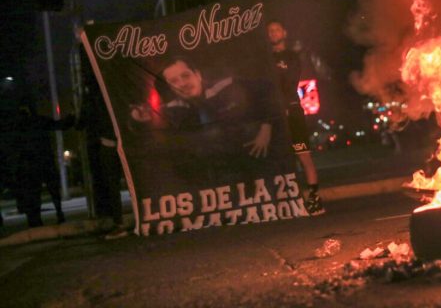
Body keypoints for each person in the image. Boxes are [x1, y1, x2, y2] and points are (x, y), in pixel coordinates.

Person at [131, 57, 278, 158]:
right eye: (174, 81)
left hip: (253, 160)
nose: (182, 83)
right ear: (170, 87)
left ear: (198, 75)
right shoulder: (172, 109)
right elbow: (138, 130)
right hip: (215, 175)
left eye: (186, 76)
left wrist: (266, 127)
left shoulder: (228, 85)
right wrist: (137, 119)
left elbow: (270, 91)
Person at [267, 20, 325, 216]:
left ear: (284, 32)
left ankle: (315, 198)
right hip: (273, 116)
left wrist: (284, 105)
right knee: (279, 159)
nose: (273, 33)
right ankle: (288, 202)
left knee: (303, 156)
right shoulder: (264, 59)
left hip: (292, 113)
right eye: (270, 31)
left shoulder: (292, 57)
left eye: (276, 30)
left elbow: (289, 82)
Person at [78, 38, 128, 240]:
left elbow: (84, 119)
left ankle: (119, 223)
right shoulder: (117, 87)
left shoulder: (94, 94)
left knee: (112, 185)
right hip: (123, 140)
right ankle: (137, 218)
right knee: (129, 181)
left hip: (109, 142)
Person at [13, 103, 73, 228]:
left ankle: (36, 220)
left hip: (31, 164)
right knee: (53, 189)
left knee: (35, 193)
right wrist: (72, 116)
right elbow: (60, 125)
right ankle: (59, 213)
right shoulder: (40, 121)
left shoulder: (18, 126)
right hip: (45, 160)